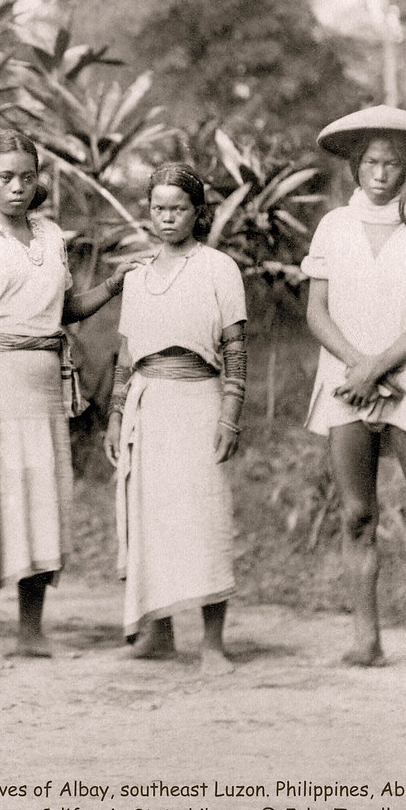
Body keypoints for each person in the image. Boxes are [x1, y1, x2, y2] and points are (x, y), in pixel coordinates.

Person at [0, 129, 134, 658]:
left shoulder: (51, 236)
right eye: (4, 177)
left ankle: (31, 630)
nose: (17, 187)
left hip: (46, 386)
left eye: (27, 177)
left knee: (41, 502)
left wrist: (114, 285)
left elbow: (65, 310)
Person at [304, 104, 406, 682]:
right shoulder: (333, 227)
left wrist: (381, 366)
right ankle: (366, 640)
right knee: (356, 514)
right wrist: (358, 367)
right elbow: (316, 311)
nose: (379, 173)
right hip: (346, 384)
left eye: (392, 163)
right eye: (370, 161)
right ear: (355, 166)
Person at [104, 163, 247, 674]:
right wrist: (117, 415)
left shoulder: (218, 268)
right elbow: (126, 354)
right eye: (159, 208)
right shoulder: (138, 275)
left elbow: (234, 346)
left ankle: (212, 643)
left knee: (205, 516)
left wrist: (229, 416)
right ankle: (158, 633)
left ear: (197, 212)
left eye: (178, 208)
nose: (167, 218)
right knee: (150, 519)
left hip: (200, 400)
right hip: (149, 404)